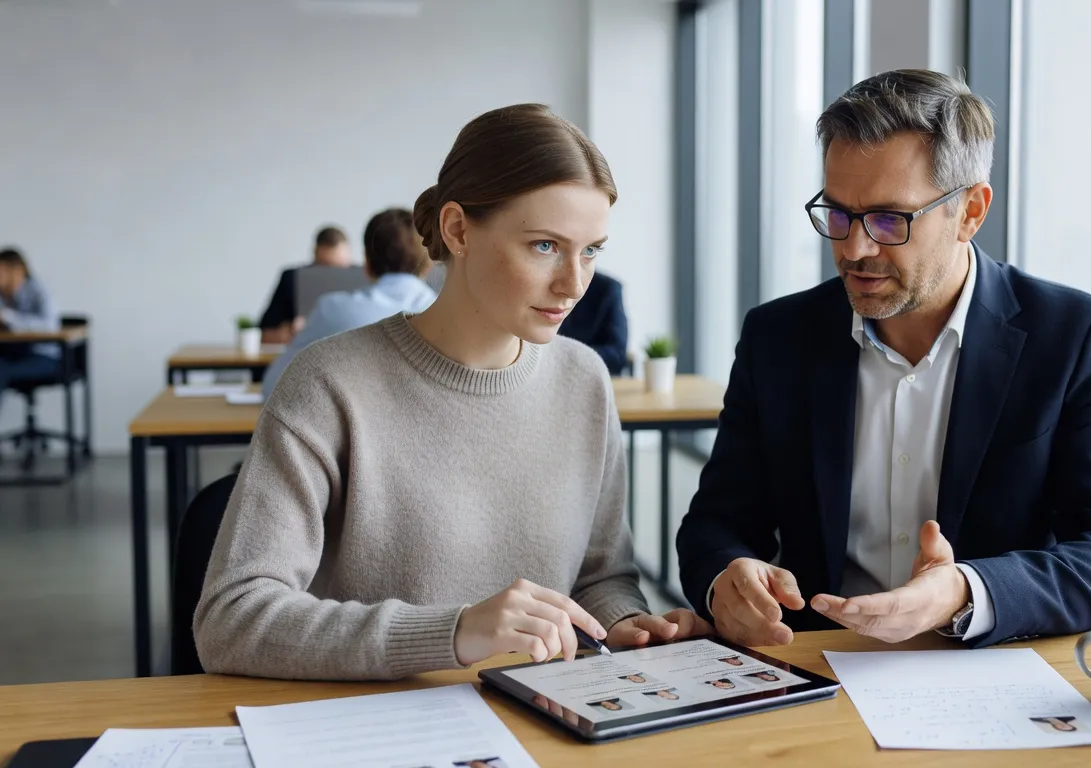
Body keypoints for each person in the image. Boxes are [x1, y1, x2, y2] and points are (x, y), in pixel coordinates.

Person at [195, 103, 708, 681]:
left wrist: (622, 624)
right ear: (458, 229)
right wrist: (455, 633)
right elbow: (230, 621)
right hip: (373, 729)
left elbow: (600, 577)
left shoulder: (585, 380)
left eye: (591, 250)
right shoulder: (328, 384)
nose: (574, 284)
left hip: (540, 719)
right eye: (545, 246)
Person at [676, 69, 1091, 650]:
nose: (855, 248)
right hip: (815, 670)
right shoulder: (777, 337)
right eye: (838, 214)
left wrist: (967, 591)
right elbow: (715, 525)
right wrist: (725, 580)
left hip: (993, 674)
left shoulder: (1076, 337)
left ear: (971, 212)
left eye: (889, 219)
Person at [261, 209, 438, 397]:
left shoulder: (331, 310)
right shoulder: (447, 313)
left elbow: (273, 385)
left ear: (367, 264)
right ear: (429, 265)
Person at [258, 226, 352, 344]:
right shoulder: (292, 279)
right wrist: (290, 331)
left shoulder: (365, 283)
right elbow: (263, 334)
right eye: (325, 267)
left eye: (339, 269)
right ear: (315, 255)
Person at [0, 248, 61, 412]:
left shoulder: (38, 290)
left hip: (42, 356)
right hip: (14, 354)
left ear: (18, 269)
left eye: (2, 271)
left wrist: (9, 317)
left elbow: (50, 326)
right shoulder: (2, 295)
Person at [558, 270, 629, 375]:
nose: (575, 291)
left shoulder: (608, 288)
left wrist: (564, 356)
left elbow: (617, 355)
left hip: (590, 377)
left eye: (589, 252)